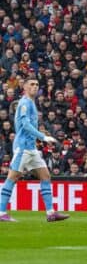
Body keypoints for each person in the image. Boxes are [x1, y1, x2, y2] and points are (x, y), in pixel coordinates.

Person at [0, 77, 69, 222]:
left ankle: (50, 213)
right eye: (31, 84)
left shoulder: (31, 102)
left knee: (45, 176)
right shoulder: (25, 102)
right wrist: (43, 137)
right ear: (24, 87)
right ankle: (1, 213)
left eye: (37, 84)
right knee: (12, 178)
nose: (35, 86)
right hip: (23, 148)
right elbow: (25, 125)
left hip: (31, 149)